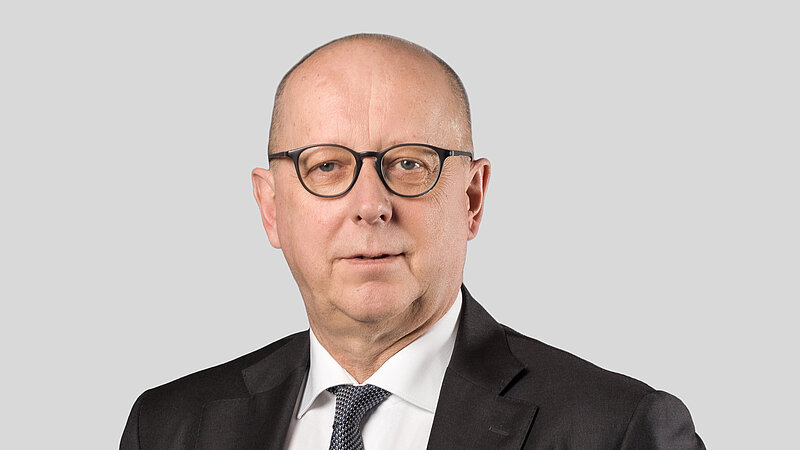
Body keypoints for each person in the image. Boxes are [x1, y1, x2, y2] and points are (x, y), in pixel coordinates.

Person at [121, 33, 704, 449]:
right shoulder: (169, 428)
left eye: (408, 164)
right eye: (326, 167)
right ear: (271, 208)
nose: (370, 205)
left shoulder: (619, 431)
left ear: (472, 198)